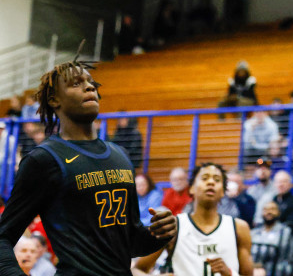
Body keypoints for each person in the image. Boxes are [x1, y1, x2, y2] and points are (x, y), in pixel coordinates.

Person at [0, 58, 178, 275]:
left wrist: (159, 233)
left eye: (91, 82)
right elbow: (4, 235)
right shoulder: (44, 159)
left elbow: (130, 243)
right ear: (55, 100)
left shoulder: (120, 155)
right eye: (76, 83)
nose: (89, 86)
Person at [134, 162, 254, 276]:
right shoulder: (175, 225)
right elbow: (136, 270)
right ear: (191, 188)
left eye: (217, 180)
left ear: (223, 191)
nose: (211, 182)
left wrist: (230, 273)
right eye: (205, 178)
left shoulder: (239, 227)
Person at [249, 200, 293, 276]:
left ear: (278, 212)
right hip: (253, 268)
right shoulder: (254, 232)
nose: (268, 212)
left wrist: (261, 264)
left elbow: (282, 253)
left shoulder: (285, 232)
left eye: (272, 209)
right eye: (265, 210)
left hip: (275, 268)